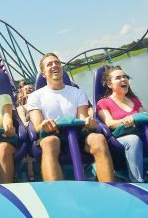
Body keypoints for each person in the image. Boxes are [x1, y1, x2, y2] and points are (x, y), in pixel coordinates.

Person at [27, 53, 115, 182]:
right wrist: (45, 125)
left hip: (78, 134)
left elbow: (82, 118)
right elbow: (38, 126)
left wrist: (88, 122)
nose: (54, 65)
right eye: (49, 64)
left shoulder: (78, 93)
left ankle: (109, 187)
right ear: (43, 74)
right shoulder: (35, 96)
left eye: (57, 63)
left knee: (98, 138)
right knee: (50, 142)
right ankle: (57, 191)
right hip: (52, 134)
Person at [96, 65, 148, 182]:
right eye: (118, 78)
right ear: (109, 84)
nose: (123, 79)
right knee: (133, 140)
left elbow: (145, 117)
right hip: (121, 137)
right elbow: (109, 123)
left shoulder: (134, 100)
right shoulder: (104, 102)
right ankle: (137, 181)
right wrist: (124, 121)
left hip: (142, 132)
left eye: (125, 77)